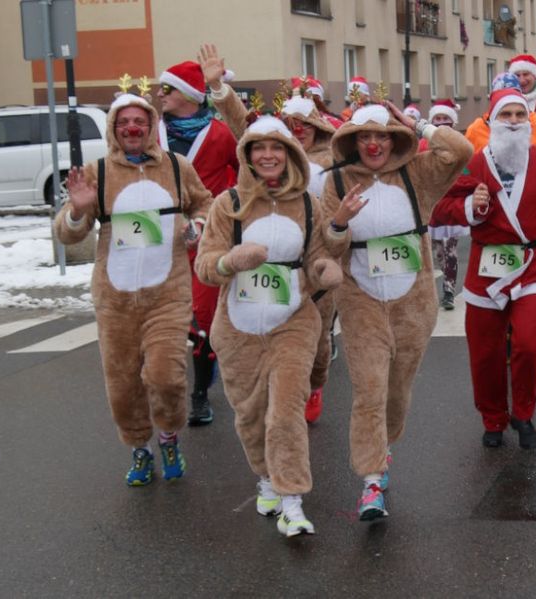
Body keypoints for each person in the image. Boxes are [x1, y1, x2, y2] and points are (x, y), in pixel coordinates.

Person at [320, 101, 472, 520]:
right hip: (359, 298)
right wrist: (338, 221)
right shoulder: (334, 180)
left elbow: (461, 152)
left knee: (396, 392)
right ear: (352, 140)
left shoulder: (418, 173)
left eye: (382, 136)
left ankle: (383, 447)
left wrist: (417, 124)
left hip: (412, 300)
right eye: (365, 137)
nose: (373, 144)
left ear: (394, 139)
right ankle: (370, 482)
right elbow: (327, 245)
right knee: (368, 390)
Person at [195, 116, 343, 538]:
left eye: (276, 148)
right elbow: (205, 266)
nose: (268, 155)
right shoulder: (228, 204)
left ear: (291, 154)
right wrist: (230, 261)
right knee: (251, 415)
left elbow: (315, 259)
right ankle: (266, 476)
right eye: (258, 148)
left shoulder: (309, 204)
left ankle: (293, 501)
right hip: (238, 326)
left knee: (284, 413)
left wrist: (323, 268)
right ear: (248, 156)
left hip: (292, 322)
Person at [57, 92, 213, 487]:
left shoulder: (177, 167)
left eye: (139, 122)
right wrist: (77, 210)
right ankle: (139, 449)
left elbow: (205, 204)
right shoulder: (98, 172)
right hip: (116, 298)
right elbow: (66, 234)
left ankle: (169, 436)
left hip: (168, 293)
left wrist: (197, 225)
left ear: (150, 129)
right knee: (123, 382)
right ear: (114, 128)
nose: (132, 129)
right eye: (124, 122)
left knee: (166, 376)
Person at [432, 88, 536, 449]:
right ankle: (493, 417)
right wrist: (471, 206)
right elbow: (439, 205)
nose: (513, 122)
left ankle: (524, 414)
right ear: (492, 121)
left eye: (519, 115)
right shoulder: (475, 164)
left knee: (529, 345)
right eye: (506, 115)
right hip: (485, 269)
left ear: (529, 121)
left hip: (532, 265)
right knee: (486, 352)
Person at [201, 45, 339, 424]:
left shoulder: (333, 161)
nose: (299, 133)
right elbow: (244, 128)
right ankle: (284, 392)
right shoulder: (269, 150)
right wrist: (218, 90)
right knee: (283, 338)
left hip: (314, 255)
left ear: (317, 126)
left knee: (319, 339)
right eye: (293, 128)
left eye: (305, 126)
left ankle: (312, 383)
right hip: (267, 252)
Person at [157, 58, 240, 426]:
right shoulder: (151, 133)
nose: (161, 95)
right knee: (167, 322)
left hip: (207, 240)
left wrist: (228, 214)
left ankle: (200, 394)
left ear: (188, 95)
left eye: (168, 89)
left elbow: (244, 175)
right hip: (161, 244)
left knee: (203, 319)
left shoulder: (220, 134)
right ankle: (166, 388)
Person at [465, 73, 536, 170]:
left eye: (513, 94)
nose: (513, 120)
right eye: (501, 96)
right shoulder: (476, 129)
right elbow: (464, 171)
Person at [422, 99, 465, 310]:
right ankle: (440, 288)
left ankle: (449, 290)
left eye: (445, 119)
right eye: (437, 119)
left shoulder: (460, 144)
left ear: (452, 121)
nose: (441, 123)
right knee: (437, 253)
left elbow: (467, 175)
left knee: (450, 251)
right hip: (432, 209)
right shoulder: (424, 144)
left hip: (452, 208)